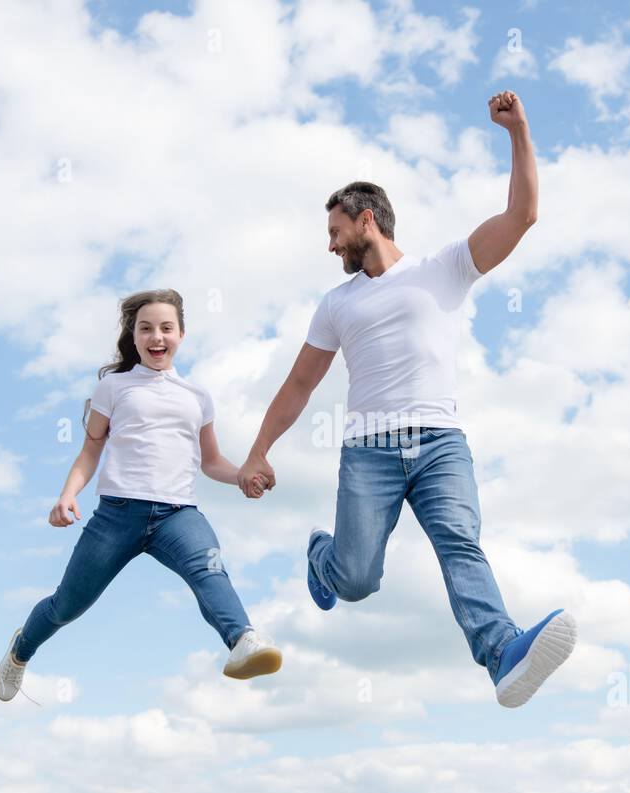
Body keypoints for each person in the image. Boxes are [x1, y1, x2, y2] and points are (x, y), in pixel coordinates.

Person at [237, 91, 576, 708]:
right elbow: (298, 385)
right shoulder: (337, 305)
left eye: (336, 232)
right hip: (369, 452)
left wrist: (519, 131)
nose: (331, 246)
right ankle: (325, 556)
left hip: (441, 444)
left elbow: (522, 215)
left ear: (367, 220)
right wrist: (258, 452)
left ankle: (501, 654)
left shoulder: (445, 267)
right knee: (359, 579)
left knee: (460, 544)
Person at [0, 289, 280, 703]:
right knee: (67, 606)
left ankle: (243, 641)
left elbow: (211, 460)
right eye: (145, 329)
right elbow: (91, 450)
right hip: (117, 515)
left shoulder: (197, 396)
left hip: (178, 516)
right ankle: (21, 651)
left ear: (181, 334)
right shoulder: (114, 388)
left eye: (166, 328)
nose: (156, 337)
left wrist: (242, 477)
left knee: (210, 570)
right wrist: (67, 495)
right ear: (133, 337)